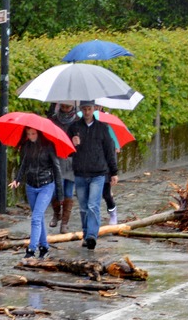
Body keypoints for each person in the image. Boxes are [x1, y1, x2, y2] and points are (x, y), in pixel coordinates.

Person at [68, 100, 119, 251]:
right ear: (81, 110)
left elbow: (110, 151)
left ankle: (92, 235)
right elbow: (67, 152)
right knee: (83, 207)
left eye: (89, 109)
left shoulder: (103, 128)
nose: (87, 112)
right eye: (84, 109)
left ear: (94, 109)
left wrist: (114, 172)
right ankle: (85, 234)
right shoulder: (74, 128)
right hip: (80, 173)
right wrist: (73, 144)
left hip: (98, 173)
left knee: (93, 205)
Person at [9, 127, 62, 259]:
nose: (31, 136)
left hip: (46, 185)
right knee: (38, 217)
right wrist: (17, 179)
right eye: (28, 134)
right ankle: (44, 247)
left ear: (39, 133)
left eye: (33, 134)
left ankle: (31, 249)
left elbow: (57, 169)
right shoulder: (27, 146)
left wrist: (60, 194)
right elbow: (24, 164)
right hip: (31, 186)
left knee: (36, 218)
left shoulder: (48, 146)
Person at [46, 102, 78, 234]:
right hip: (57, 159)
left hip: (71, 160)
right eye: (63, 106)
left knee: (68, 192)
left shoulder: (77, 121)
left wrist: (78, 141)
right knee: (55, 190)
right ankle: (56, 213)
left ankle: (64, 223)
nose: (65, 109)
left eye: (68, 106)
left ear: (73, 106)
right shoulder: (53, 120)